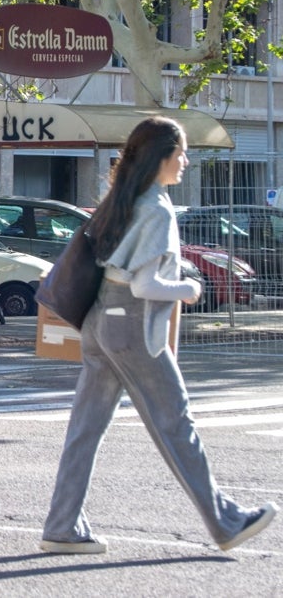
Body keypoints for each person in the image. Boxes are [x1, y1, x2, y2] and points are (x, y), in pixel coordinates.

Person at [40, 116, 277, 554]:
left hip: (99, 321)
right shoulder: (156, 208)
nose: (185, 161)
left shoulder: (122, 199)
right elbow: (146, 286)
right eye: (180, 153)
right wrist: (190, 289)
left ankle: (62, 525)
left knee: (85, 428)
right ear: (160, 157)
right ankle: (225, 523)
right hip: (132, 327)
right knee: (176, 424)